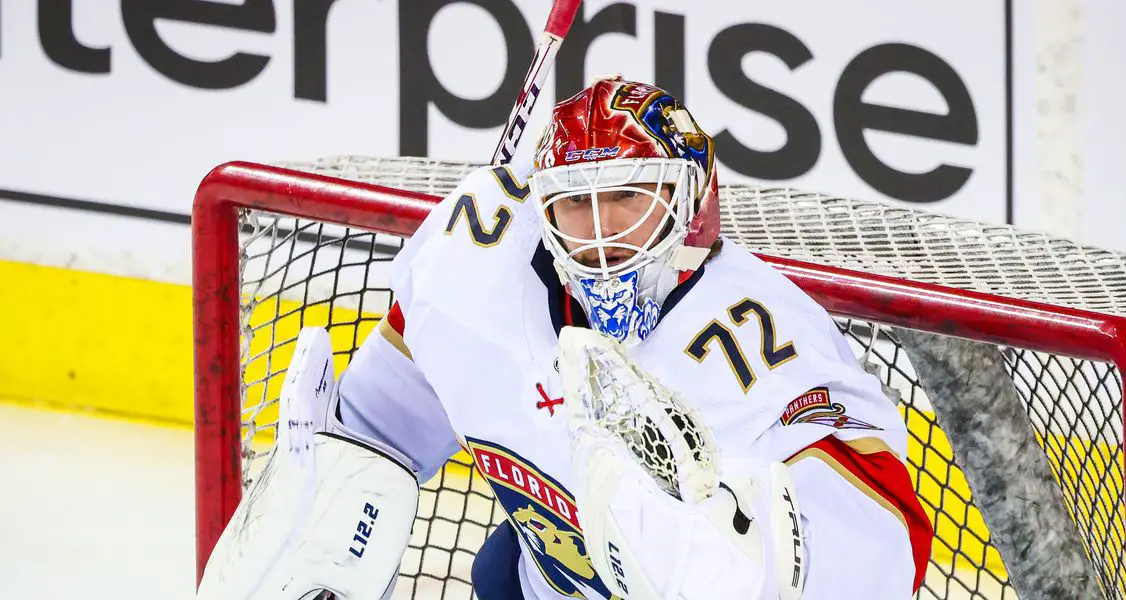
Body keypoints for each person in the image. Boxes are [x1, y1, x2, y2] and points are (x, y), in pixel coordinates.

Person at [197, 76, 933, 600]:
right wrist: (322, 489)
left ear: (697, 210)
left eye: (626, 197)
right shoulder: (478, 271)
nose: (602, 233)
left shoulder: (766, 348)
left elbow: (885, 550)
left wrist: (740, 566)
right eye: (576, 206)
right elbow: (384, 433)